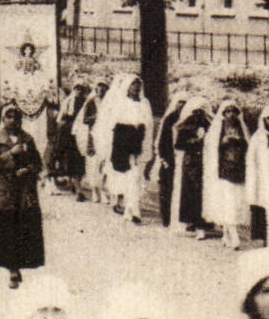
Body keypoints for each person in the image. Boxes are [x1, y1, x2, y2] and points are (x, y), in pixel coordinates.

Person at [0, 101, 45, 288]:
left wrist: (28, 170)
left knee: (23, 228)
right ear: (3, 119)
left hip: (24, 191)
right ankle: (12, 269)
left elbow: (38, 163)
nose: (13, 120)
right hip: (5, 191)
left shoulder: (28, 139)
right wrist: (11, 154)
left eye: (16, 117)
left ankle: (19, 265)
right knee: (7, 228)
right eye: (9, 116)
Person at [103, 75, 152, 222]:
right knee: (129, 178)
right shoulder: (122, 103)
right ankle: (132, 208)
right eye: (133, 85)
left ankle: (132, 209)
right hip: (124, 146)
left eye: (138, 85)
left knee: (136, 178)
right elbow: (115, 124)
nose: (136, 88)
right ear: (127, 87)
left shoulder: (144, 103)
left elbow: (148, 125)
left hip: (140, 144)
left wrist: (143, 139)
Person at [204, 99, 251, 250]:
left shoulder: (241, 128)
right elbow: (211, 148)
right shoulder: (218, 128)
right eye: (228, 112)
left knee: (235, 202)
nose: (231, 115)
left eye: (234, 112)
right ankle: (234, 235)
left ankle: (226, 233)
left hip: (238, 170)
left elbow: (247, 146)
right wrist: (223, 141)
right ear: (223, 114)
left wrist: (239, 140)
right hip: (223, 170)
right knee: (228, 201)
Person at [171, 98, 212, 237]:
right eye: (196, 111)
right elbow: (179, 144)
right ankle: (193, 221)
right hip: (191, 161)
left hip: (206, 161)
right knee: (192, 192)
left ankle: (203, 222)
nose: (198, 114)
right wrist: (195, 141)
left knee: (204, 192)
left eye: (201, 111)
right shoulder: (187, 124)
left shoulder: (209, 124)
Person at [151, 94, 189, 227]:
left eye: (185, 103)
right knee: (167, 188)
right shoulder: (169, 119)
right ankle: (166, 217)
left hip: (183, 158)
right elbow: (162, 140)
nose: (182, 105)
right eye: (180, 102)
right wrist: (163, 158)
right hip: (169, 157)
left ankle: (181, 218)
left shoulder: (188, 118)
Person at [50, 81, 91, 195]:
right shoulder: (69, 101)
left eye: (81, 89)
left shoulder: (86, 102)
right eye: (77, 88)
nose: (79, 91)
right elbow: (60, 117)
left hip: (81, 131)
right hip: (68, 132)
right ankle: (74, 183)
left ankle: (76, 182)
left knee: (80, 157)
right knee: (69, 157)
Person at [244, 108, 269, 246]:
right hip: (261, 177)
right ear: (264, 119)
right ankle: (264, 238)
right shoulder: (257, 138)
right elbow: (251, 159)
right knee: (262, 205)